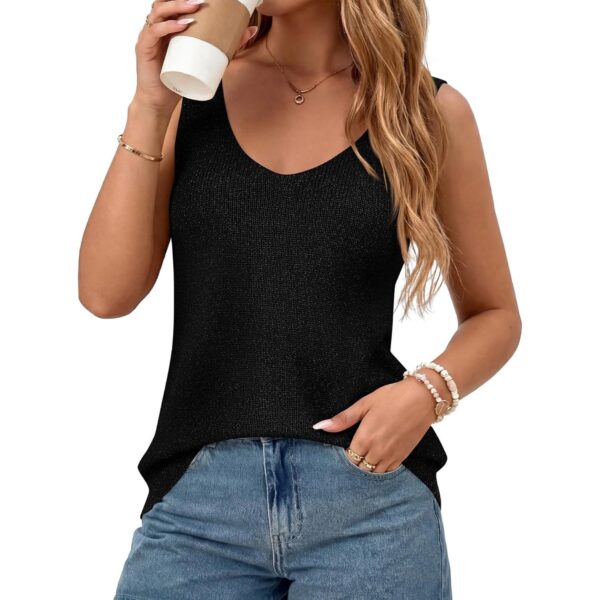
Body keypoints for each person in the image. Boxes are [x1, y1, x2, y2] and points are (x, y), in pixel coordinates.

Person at [78, 1, 521, 598]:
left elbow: (496, 315)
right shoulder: (192, 95)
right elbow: (105, 294)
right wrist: (150, 105)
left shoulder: (425, 111)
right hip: (197, 513)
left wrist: (425, 394)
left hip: (370, 507)